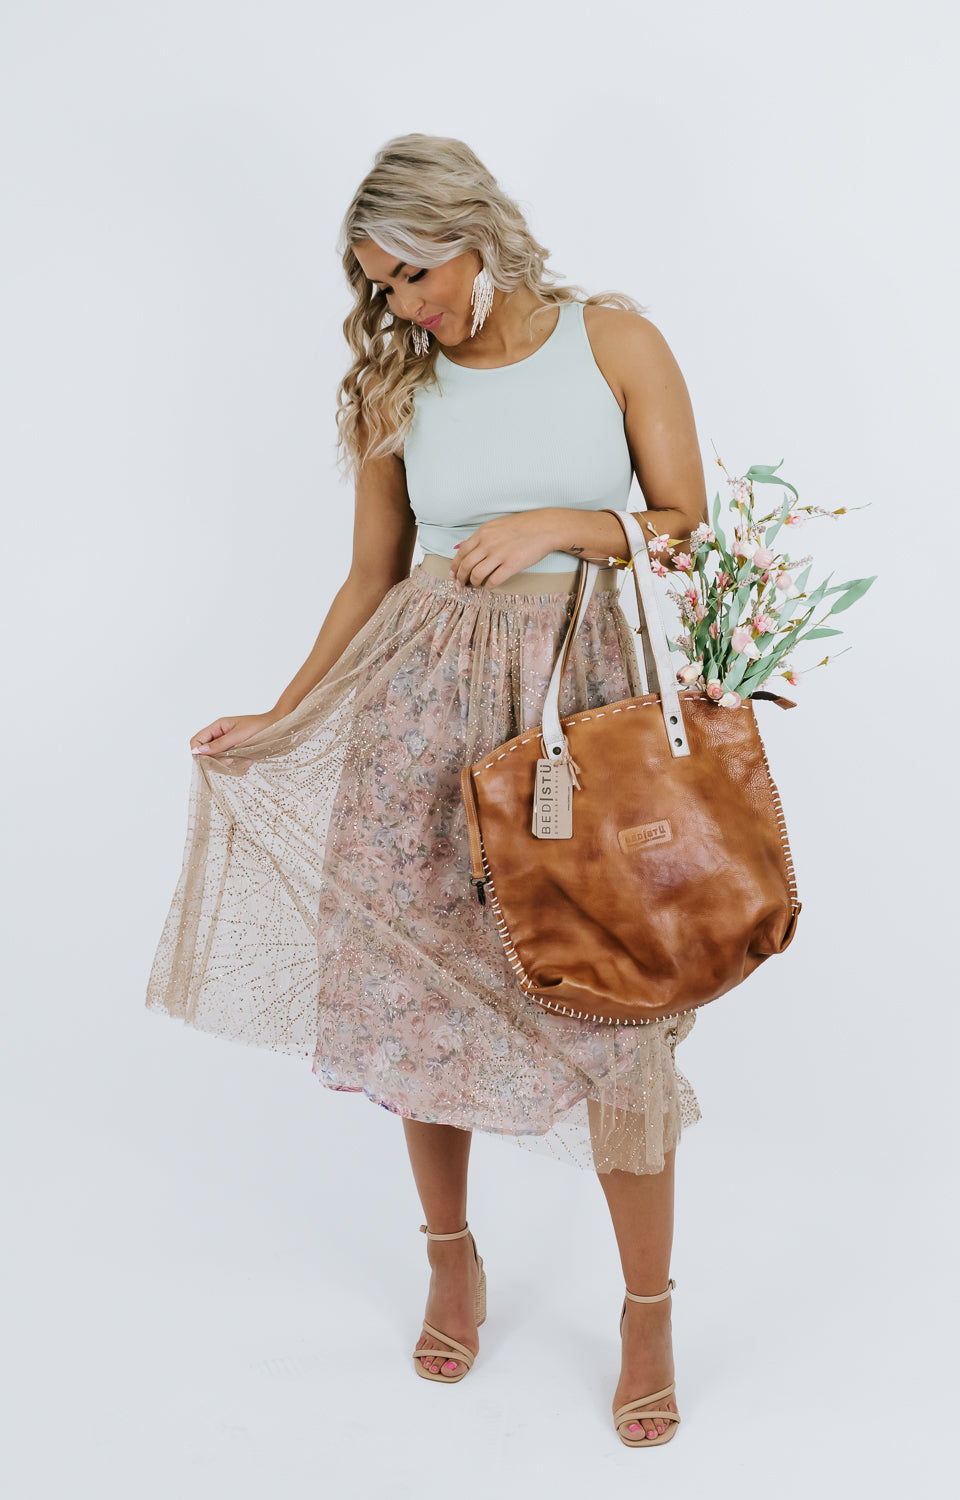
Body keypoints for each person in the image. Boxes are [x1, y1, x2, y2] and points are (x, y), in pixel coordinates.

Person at [146, 133, 708, 1447]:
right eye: (379, 285)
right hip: (420, 707)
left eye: (411, 274)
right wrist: (287, 713)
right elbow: (371, 573)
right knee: (418, 995)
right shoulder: (397, 382)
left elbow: (685, 519)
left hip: (578, 706)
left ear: (476, 237)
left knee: (619, 1007)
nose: (399, 304)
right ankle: (451, 1260)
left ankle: (648, 1314)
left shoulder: (614, 340)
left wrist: (562, 526)